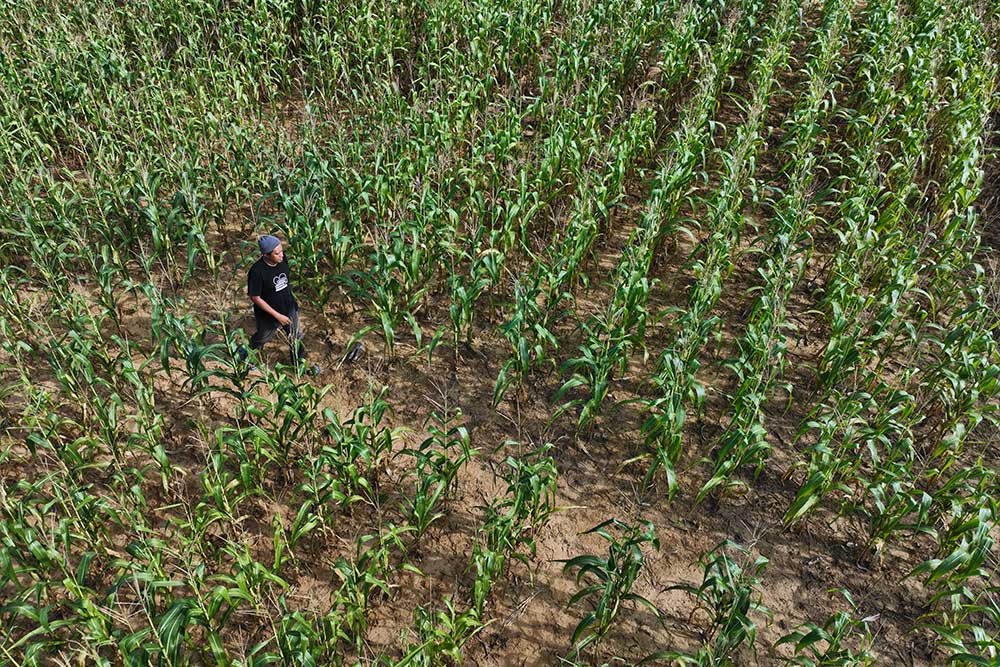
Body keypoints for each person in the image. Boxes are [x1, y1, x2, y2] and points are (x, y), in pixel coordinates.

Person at [244, 234, 317, 373]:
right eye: (277, 253)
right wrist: (277, 316)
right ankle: (248, 356)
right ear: (266, 254)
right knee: (263, 337)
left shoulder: (283, 260)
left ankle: (298, 367)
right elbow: (255, 297)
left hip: (288, 307)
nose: (282, 255)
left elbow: (286, 284)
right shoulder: (257, 272)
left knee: (296, 337)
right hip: (268, 314)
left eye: (282, 251)